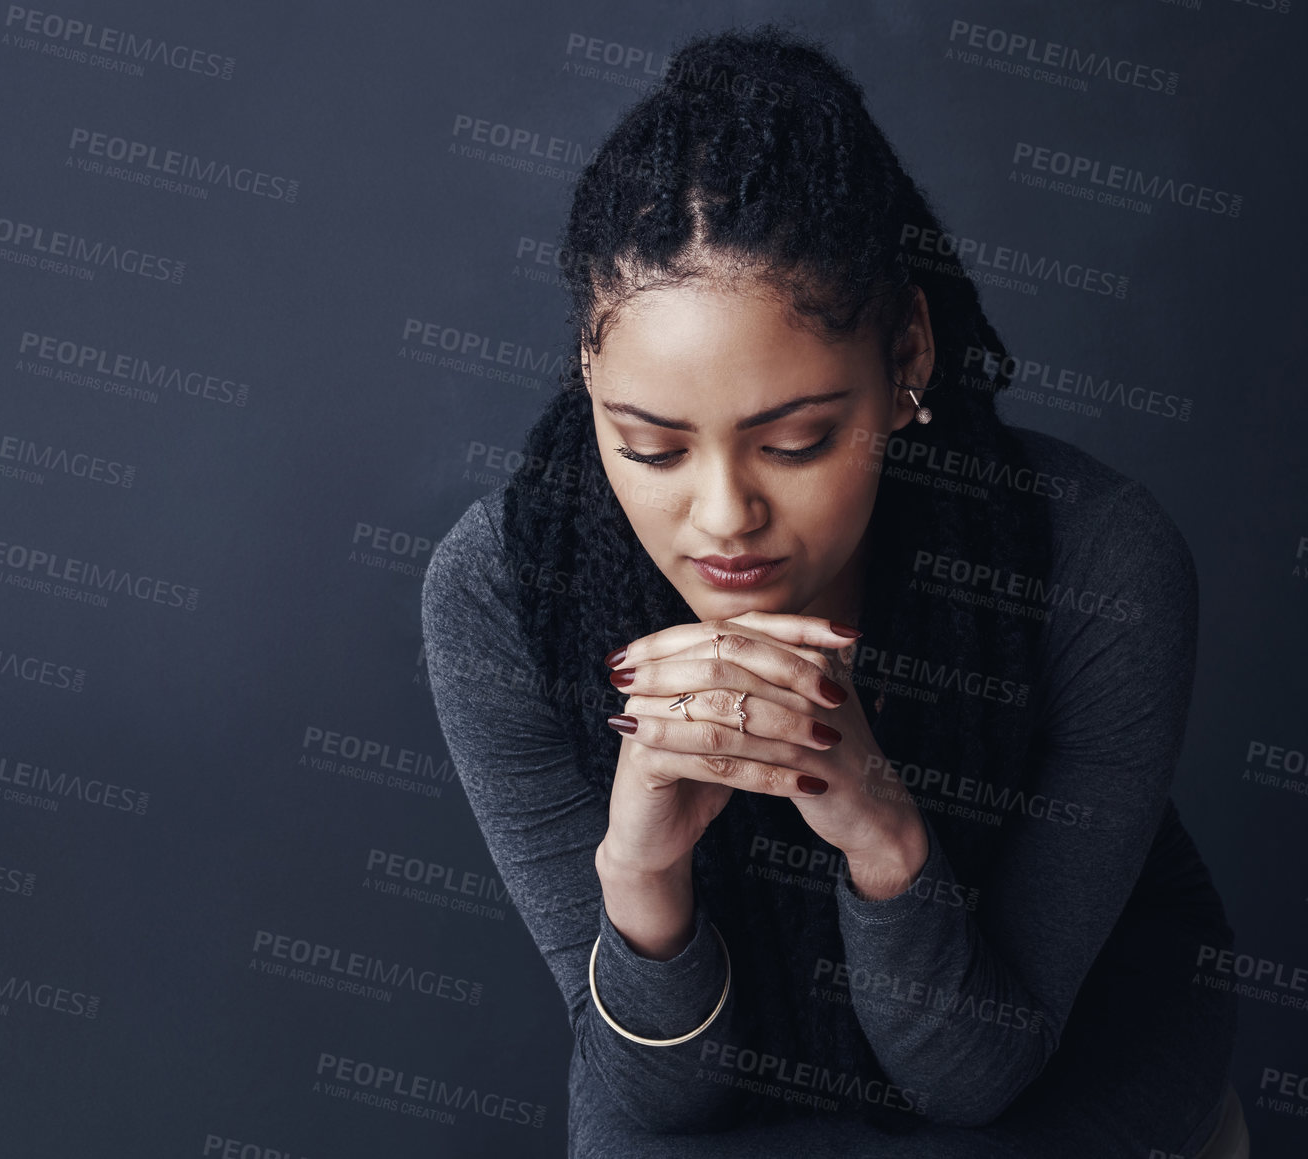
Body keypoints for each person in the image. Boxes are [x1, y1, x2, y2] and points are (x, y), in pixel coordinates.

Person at [419, 25, 1237, 1159]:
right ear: (586, 375)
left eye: (797, 440)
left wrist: (883, 832)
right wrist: (643, 874)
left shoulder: (1100, 567)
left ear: (908, 350)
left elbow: (981, 1078)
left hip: (1068, 1051)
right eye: (651, 448)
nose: (722, 517)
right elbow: (653, 1102)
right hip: (731, 1075)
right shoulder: (504, 597)